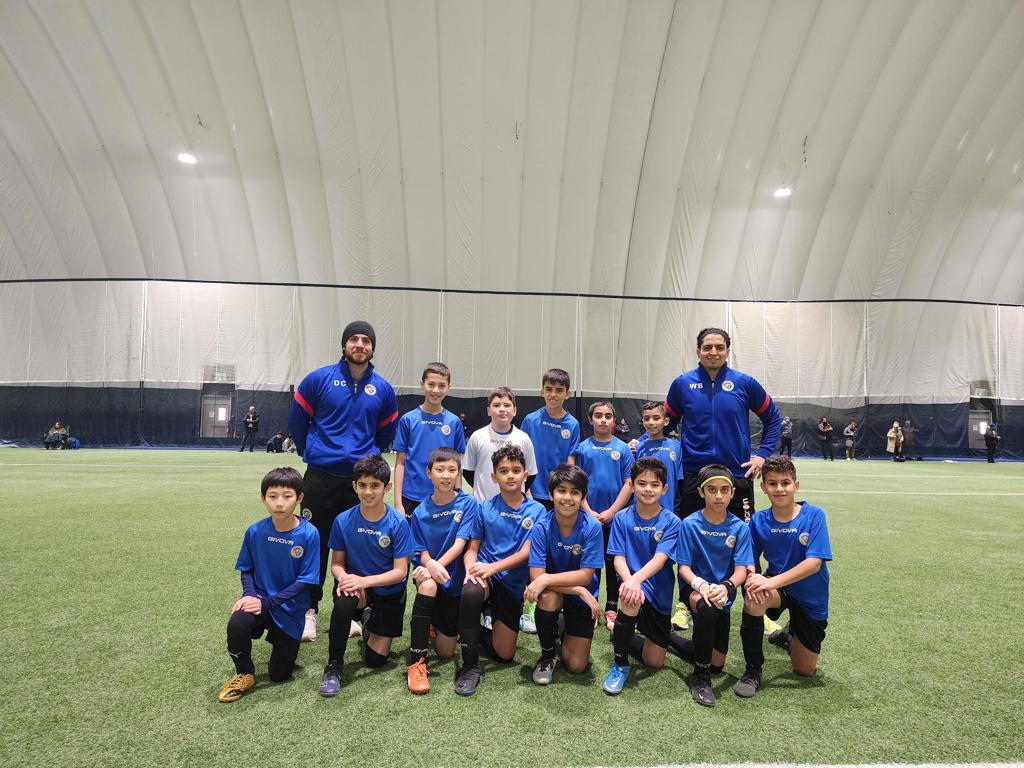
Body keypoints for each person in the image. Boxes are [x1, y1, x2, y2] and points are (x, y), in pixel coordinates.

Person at [287, 321, 399, 642]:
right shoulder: (319, 379)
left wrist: (371, 453)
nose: (360, 345)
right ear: (344, 345)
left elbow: (386, 431)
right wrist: (311, 450)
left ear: (373, 348)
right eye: (354, 339)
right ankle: (309, 610)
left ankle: (347, 609)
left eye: (366, 340)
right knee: (315, 543)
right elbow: (297, 419)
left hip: (358, 481)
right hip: (320, 478)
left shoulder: (384, 389)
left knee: (352, 546)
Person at [218, 467, 319, 703]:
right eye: (272, 496)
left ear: (300, 498)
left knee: (279, 675)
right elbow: (247, 569)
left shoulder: (309, 534)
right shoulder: (255, 531)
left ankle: (281, 638)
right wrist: (250, 596)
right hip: (260, 601)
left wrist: (267, 603)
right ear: (263, 498)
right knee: (237, 622)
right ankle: (244, 673)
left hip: (290, 608)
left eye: (287, 496)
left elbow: (305, 581)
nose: (279, 503)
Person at [658, 327, 782, 519]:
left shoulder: (745, 383)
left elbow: (773, 418)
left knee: (741, 535)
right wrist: (643, 442)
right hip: (694, 474)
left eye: (719, 347)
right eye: (707, 347)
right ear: (698, 350)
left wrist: (762, 455)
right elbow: (665, 423)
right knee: (691, 536)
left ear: (727, 350)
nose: (713, 352)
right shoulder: (682, 384)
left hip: (737, 473)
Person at [454, 445, 546, 696]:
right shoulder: (484, 508)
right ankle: (470, 666)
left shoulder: (537, 510)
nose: (510, 475)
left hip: (511, 583)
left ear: (525, 474)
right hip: (485, 575)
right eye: (503, 471)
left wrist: (493, 567)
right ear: (494, 477)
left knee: (504, 655)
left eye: (516, 470)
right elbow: (472, 548)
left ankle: (469, 629)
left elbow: (527, 553)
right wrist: (471, 570)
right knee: (471, 593)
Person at [319, 454, 414, 697]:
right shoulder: (343, 520)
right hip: (358, 587)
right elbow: (337, 564)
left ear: (387, 487)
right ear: (354, 486)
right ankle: (334, 666)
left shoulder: (398, 523)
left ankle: (369, 618)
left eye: (375, 486)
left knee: (375, 661)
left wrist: (364, 581)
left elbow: (400, 572)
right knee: (344, 600)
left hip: (388, 590)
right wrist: (345, 578)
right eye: (362, 485)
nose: (368, 492)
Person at [738, 455, 833, 697]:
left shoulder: (814, 516)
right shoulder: (759, 520)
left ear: (796, 485)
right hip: (779, 591)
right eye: (772, 483)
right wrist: (752, 577)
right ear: (763, 487)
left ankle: (789, 635)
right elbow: (748, 558)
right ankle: (753, 670)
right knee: (754, 597)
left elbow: (813, 564)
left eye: (785, 483)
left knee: (804, 670)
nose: (779, 489)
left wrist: (769, 581)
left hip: (810, 596)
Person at [602, 458, 684, 695]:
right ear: (632, 486)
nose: (648, 489)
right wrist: (630, 582)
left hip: (658, 589)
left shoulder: (672, 522)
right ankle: (620, 663)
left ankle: (620, 632)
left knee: (654, 662)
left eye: (654, 484)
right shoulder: (621, 518)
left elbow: (660, 560)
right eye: (642, 483)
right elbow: (618, 558)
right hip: (631, 585)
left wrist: (636, 580)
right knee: (630, 599)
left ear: (664, 489)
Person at [675, 464, 753, 707]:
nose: (718, 496)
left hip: (723, 593)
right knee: (707, 610)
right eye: (712, 490)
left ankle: (668, 639)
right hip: (697, 591)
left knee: (717, 663)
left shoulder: (740, 527)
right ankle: (700, 677)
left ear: (732, 493)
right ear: (701, 493)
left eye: (724, 490)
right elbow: (683, 568)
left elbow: (742, 571)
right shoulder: (689, 524)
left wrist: (726, 587)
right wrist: (702, 586)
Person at [406, 448, 480, 694]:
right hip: (430, 575)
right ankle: (416, 662)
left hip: (454, 578)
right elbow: (421, 551)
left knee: (447, 652)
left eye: (452, 470)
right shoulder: (420, 511)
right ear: (429, 473)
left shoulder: (468, 503)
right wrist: (429, 565)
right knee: (427, 584)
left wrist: (438, 565)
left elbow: (460, 544)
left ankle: (432, 622)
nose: (446, 475)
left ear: (458, 473)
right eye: (440, 470)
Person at [525, 464, 603, 685]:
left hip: (578, 593)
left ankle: (561, 623)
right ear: (551, 494)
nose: (567, 498)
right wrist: (577, 589)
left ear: (582, 497)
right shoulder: (541, 527)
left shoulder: (592, 527)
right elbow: (536, 576)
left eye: (575, 492)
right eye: (561, 491)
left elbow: (586, 576)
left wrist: (550, 580)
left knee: (576, 666)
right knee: (548, 598)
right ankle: (547, 655)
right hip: (556, 592)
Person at [520, 368, 580, 633]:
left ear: (567, 394)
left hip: (560, 497)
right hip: (534, 496)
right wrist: (528, 489)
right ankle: (531, 605)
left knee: (561, 548)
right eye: (549, 389)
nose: (553, 395)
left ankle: (563, 603)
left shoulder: (572, 425)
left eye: (559, 390)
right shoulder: (531, 420)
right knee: (535, 549)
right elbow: (522, 458)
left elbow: (570, 462)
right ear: (541, 391)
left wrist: (564, 492)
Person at [571, 401, 635, 631]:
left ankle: (611, 607)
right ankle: (591, 605)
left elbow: (629, 484)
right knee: (590, 563)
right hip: (588, 519)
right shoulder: (582, 449)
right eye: (598, 415)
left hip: (614, 520)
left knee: (613, 564)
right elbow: (576, 484)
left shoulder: (624, 449)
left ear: (614, 421)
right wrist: (589, 512)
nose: (604, 420)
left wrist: (610, 512)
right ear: (591, 420)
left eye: (608, 416)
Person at [634, 402, 688, 630]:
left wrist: (676, 513)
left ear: (666, 421)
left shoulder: (676, 447)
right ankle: (637, 608)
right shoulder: (638, 447)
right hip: (642, 515)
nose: (651, 423)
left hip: (667, 519)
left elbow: (679, 483)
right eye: (647, 418)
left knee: (665, 564)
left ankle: (668, 608)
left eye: (656, 418)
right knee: (640, 560)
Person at [393, 362, 467, 520]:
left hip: (446, 496)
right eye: (431, 384)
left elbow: (457, 465)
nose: (436, 390)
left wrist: (459, 495)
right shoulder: (408, 420)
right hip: (412, 496)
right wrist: (398, 503)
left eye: (441, 385)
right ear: (422, 385)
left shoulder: (454, 422)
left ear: (448, 387)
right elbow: (400, 462)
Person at [462, 387, 538, 502]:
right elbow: (468, 472)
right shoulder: (477, 437)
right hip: (483, 505)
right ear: (488, 411)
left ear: (515, 410)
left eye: (507, 405)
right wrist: (483, 491)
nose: (502, 409)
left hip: (514, 508)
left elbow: (530, 475)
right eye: (496, 405)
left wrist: (512, 491)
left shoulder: (523, 439)